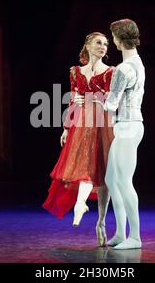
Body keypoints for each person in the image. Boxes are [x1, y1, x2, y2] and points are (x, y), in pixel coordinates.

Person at [42, 32, 115, 247]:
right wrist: (66, 127)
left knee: (102, 172)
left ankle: (100, 221)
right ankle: (80, 204)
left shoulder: (111, 72)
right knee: (84, 165)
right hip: (83, 123)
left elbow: (114, 99)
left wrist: (96, 98)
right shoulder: (75, 72)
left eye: (106, 44)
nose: (103, 47)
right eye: (99, 43)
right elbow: (74, 101)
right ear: (88, 45)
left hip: (103, 123)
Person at [93, 19, 145, 250]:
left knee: (123, 182)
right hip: (129, 125)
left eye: (112, 37)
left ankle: (135, 237)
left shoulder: (123, 69)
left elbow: (111, 104)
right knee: (111, 180)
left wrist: (94, 97)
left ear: (117, 40)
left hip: (127, 126)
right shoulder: (137, 62)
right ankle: (121, 234)